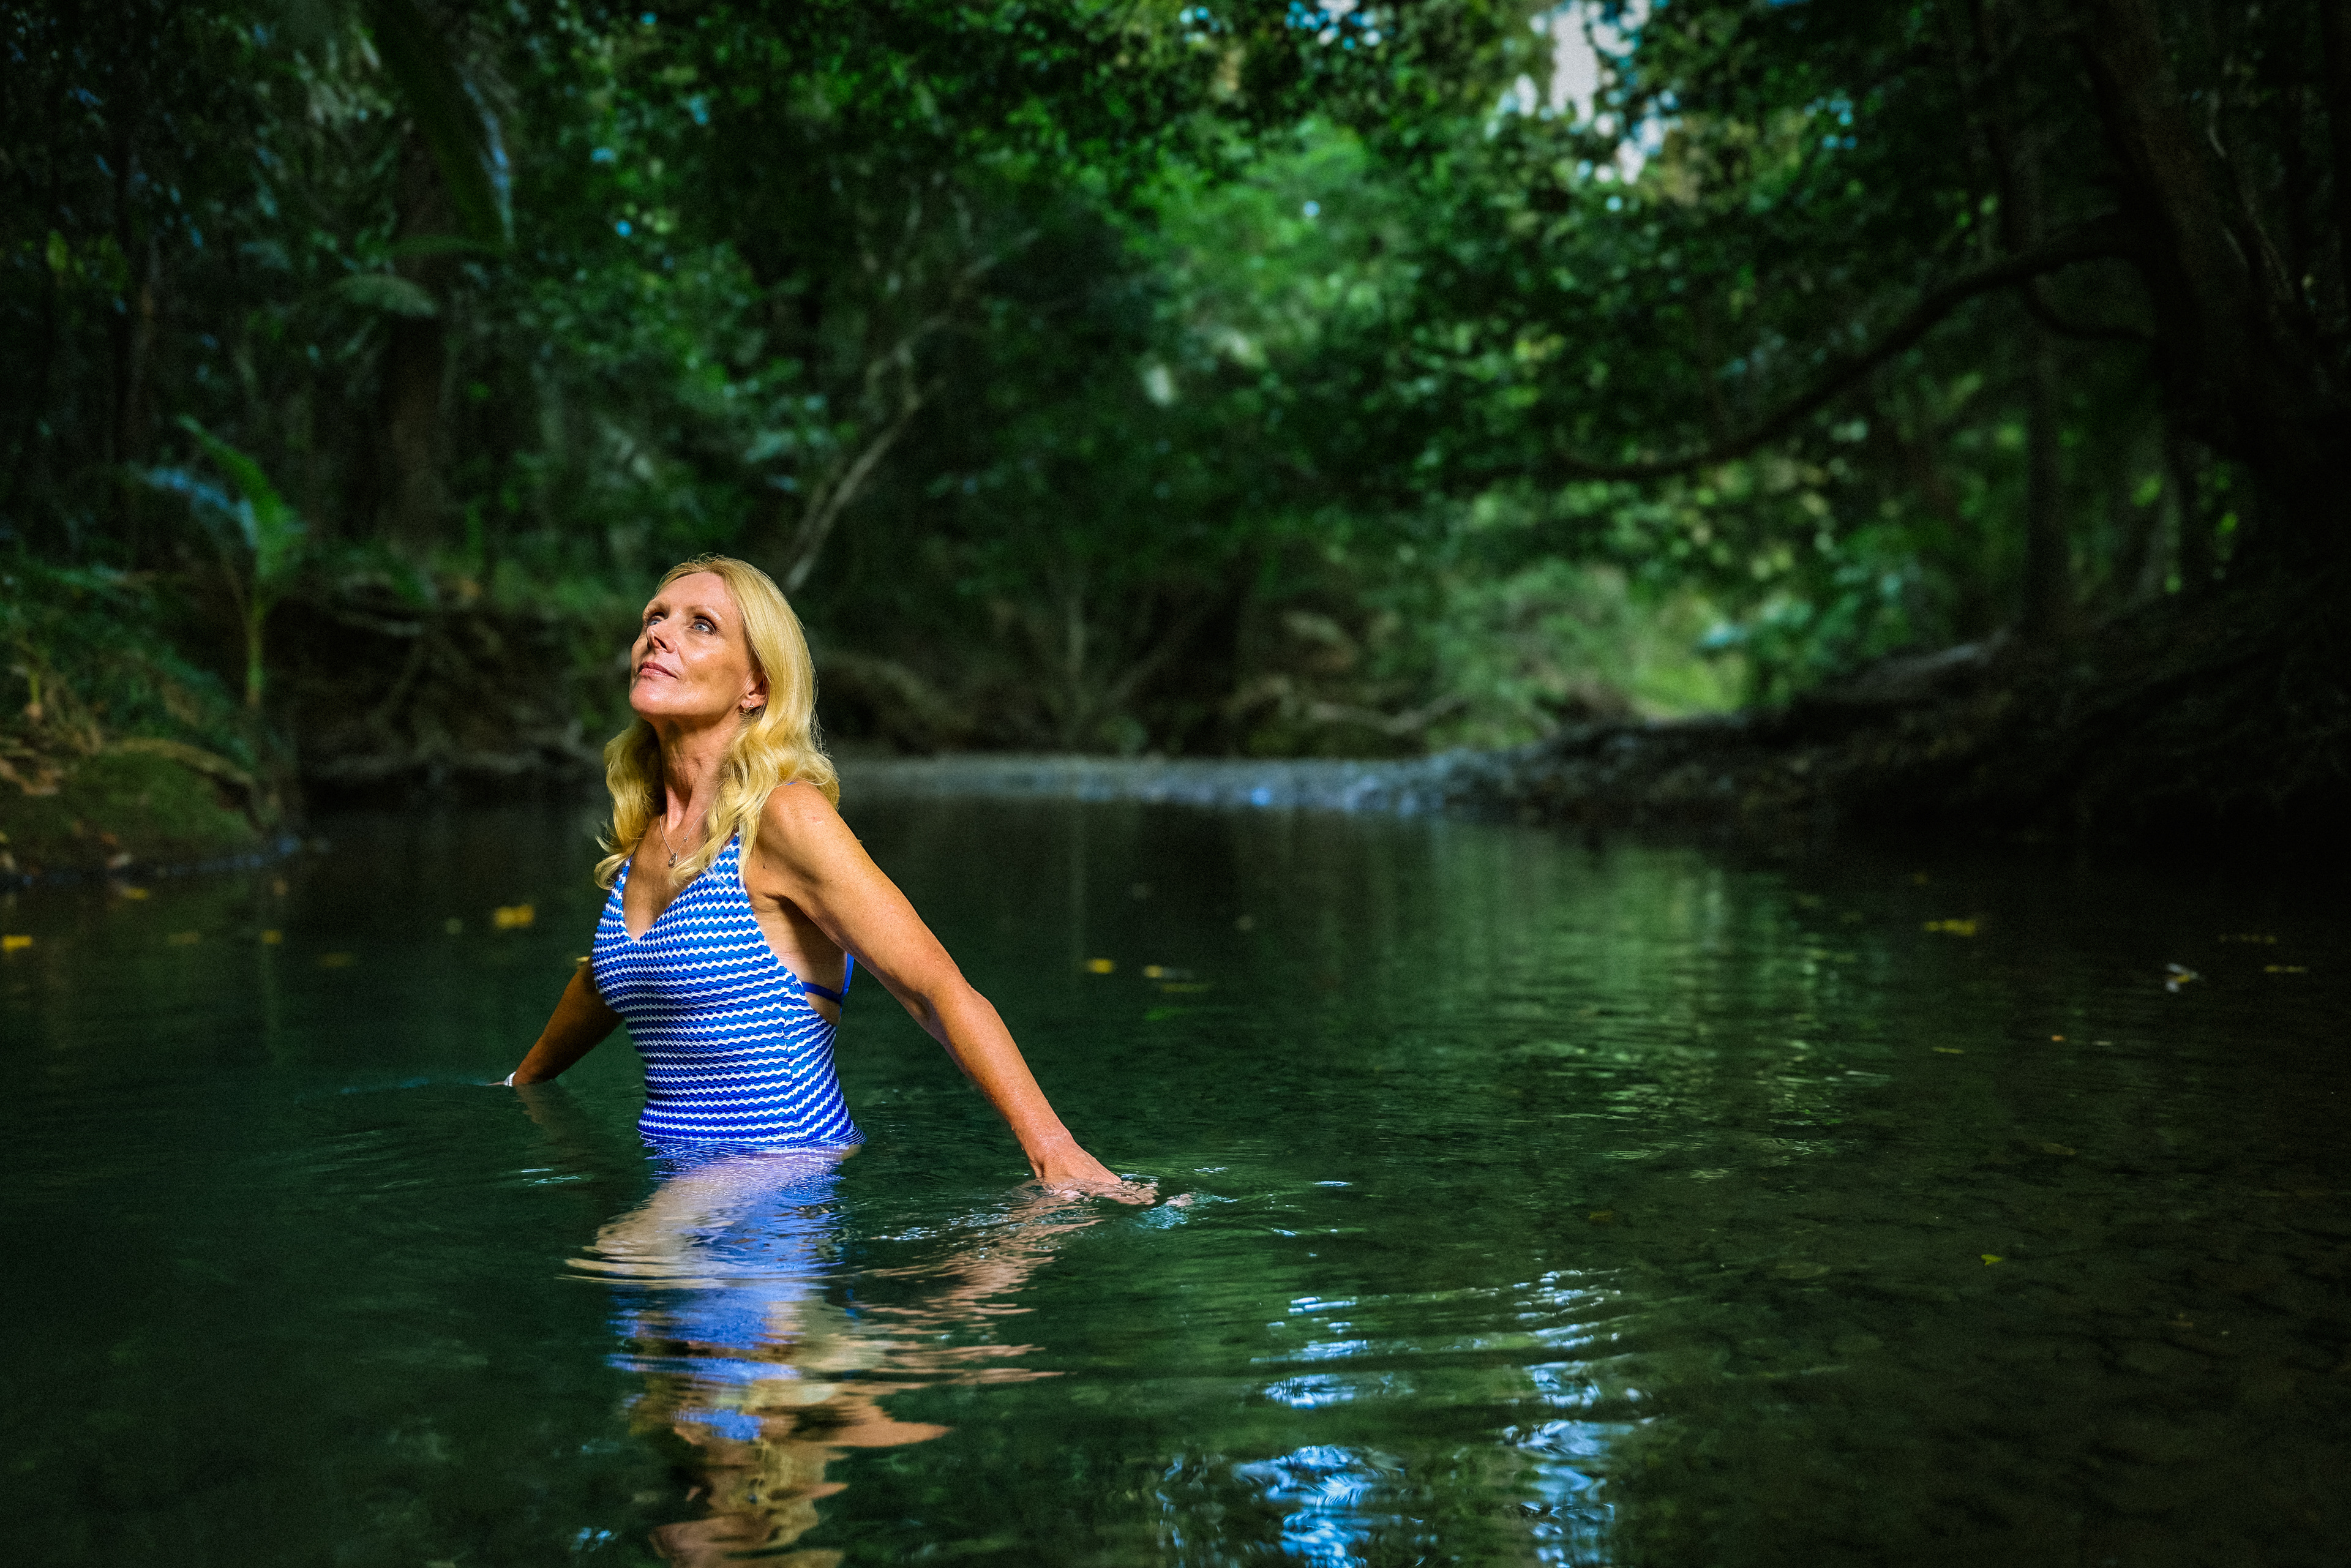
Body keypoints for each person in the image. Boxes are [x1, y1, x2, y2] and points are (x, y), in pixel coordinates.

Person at [500, 553, 1143, 1199]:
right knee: (622, 1280)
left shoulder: (784, 818)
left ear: (755, 686)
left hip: (780, 1171)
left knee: (621, 1258)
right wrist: (518, 1088)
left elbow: (936, 990)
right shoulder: (648, 836)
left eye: (702, 625)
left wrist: (1054, 1149)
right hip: (672, 1172)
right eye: (655, 618)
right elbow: (604, 978)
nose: (659, 634)